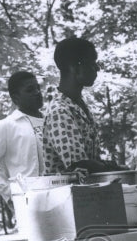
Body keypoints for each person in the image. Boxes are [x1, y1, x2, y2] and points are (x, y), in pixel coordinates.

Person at [42, 37, 119, 175]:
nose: (97, 68)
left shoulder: (79, 106)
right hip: (64, 194)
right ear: (74, 68)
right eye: (91, 63)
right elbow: (79, 164)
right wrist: (115, 169)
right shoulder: (59, 111)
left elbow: (91, 160)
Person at [0, 70, 45, 208]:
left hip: (59, 193)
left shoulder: (51, 121)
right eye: (30, 90)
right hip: (27, 201)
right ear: (16, 98)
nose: (37, 92)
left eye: (38, 88)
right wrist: (10, 194)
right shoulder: (6, 126)